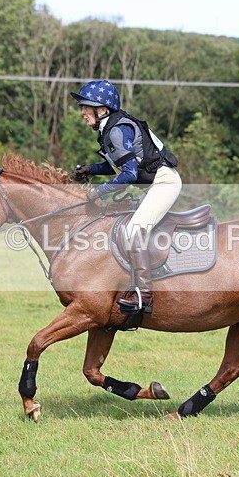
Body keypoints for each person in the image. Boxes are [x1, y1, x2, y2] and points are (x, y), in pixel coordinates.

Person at [71, 80, 181, 315]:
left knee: (133, 231)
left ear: (102, 109)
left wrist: (99, 191)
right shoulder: (111, 128)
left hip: (164, 183)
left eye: (86, 107)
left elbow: (129, 174)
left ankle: (144, 295)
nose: (82, 112)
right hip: (154, 185)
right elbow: (116, 166)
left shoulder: (116, 130)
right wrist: (90, 169)